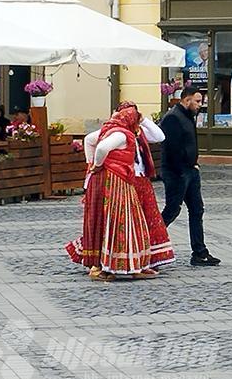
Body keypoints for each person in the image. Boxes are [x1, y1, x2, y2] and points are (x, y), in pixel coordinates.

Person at [66, 101, 175, 270]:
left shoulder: (139, 131)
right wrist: (93, 164)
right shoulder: (117, 133)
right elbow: (90, 140)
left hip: (140, 179)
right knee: (124, 221)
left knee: (145, 220)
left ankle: (146, 257)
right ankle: (119, 258)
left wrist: (144, 120)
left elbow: (160, 136)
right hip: (123, 180)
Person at [160, 86, 221, 267]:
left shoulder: (187, 116)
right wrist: (181, 170)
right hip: (177, 173)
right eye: (197, 101)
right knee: (172, 210)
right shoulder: (173, 118)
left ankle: (200, 253)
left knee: (197, 210)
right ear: (186, 100)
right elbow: (171, 149)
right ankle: (148, 243)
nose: (200, 105)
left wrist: (194, 166)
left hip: (190, 171)